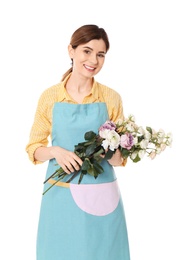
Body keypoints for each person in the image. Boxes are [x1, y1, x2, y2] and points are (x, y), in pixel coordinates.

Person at [26, 24, 130, 260]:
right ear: (71, 51)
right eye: (87, 51)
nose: (94, 60)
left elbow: (119, 158)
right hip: (60, 196)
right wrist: (55, 151)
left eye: (101, 54)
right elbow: (33, 148)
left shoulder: (111, 98)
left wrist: (115, 149)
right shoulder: (51, 96)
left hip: (102, 194)